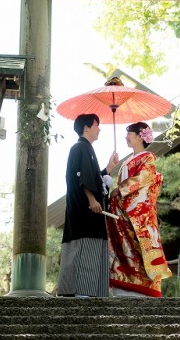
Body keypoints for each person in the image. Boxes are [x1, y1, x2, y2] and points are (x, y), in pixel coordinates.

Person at [106, 121, 172, 297]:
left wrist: (120, 190)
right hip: (123, 212)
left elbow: (144, 178)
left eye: (130, 134)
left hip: (137, 214)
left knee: (140, 248)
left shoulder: (147, 158)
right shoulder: (126, 161)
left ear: (139, 136)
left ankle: (143, 285)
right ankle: (125, 281)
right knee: (124, 248)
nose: (126, 137)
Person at [57, 113, 119, 297]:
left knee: (88, 251)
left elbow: (92, 177)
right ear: (86, 128)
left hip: (89, 213)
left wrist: (108, 168)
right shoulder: (80, 148)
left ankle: (88, 293)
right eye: (96, 125)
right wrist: (92, 199)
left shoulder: (87, 149)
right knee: (84, 252)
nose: (99, 128)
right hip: (85, 213)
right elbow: (82, 177)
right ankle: (82, 293)